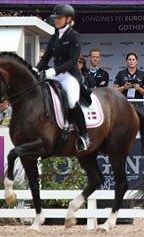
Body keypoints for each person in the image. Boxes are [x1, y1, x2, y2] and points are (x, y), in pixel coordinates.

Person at [35, 4, 90, 151]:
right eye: (55, 18)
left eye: (59, 18)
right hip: (56, 75)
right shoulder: (54, 37)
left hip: (70, 76)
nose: (56, 21)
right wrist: (35, 69)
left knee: (71, 101)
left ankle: (84, 135)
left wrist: (54, 70)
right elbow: (45, 58)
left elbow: (73, 61)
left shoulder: (74, 36)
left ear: (68, 19)